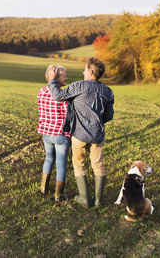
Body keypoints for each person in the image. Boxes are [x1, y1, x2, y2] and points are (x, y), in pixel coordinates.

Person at [47, 57, 114, 207]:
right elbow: (109, 115)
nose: (83, 71)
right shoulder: (108, 92)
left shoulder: (78, 86)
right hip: (98, 135)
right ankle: (98, 200)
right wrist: (96, 122)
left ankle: (84, 199)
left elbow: (58, 96)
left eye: (85, 69)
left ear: (90, 72)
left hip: (79, 134)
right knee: (98, 164)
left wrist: (52, 79)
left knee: (79, 165)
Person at [37, 65, 70, 202]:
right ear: (55, 78)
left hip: (46, 133)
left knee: (49, 159)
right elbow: (68, 116)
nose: (66, 78)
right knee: (61, 164)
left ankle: (44, 188)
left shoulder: (41, 92)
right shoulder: (63, 95)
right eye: (64, 75)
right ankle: (59, 195)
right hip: (60, 135)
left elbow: (40, 111)